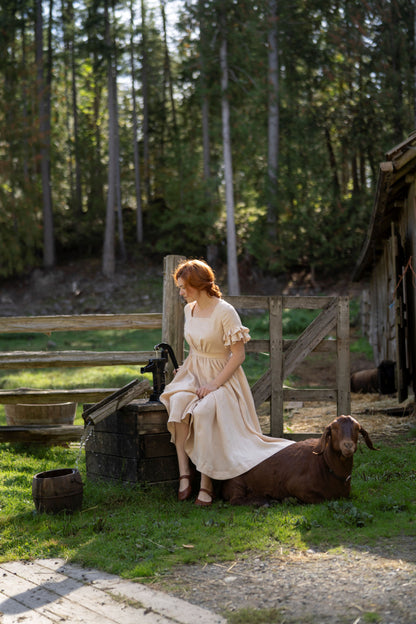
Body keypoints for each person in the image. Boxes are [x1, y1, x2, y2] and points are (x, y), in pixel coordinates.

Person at [160, 259, 294, 507]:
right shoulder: (189, 309)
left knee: (204, 411)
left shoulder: (225, 312)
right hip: (194, 373)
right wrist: (185, 368)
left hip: (222, 379)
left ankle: (207, 483)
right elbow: (194, 349)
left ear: (198, 285)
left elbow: (239, 355)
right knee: (177, 403)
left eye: (183, 287)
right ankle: (184, 473)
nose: (180, 292)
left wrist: (213, 385)